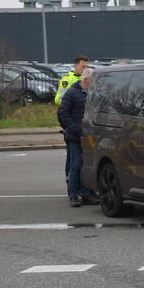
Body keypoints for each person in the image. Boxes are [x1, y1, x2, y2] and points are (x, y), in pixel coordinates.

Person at [57, 68, 98, 207]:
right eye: (93, 82)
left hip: (89, 136)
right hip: (75, 136)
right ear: (86, 80)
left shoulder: (92, 93)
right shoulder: (72, 93)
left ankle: (86, 193)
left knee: (87, 165)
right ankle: (73, 194)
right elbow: (63, 113)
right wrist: (73, 128)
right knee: (76, 165)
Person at [55, 55, 89, 180]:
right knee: (72, 156)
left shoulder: (88, 79)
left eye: (87, 66)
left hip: (83, 122)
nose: (85, 69)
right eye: (82, 66)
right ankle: (69, 180)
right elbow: (58, 99)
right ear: (75, 66)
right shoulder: (67, 80)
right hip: (70, 120)